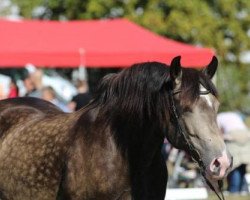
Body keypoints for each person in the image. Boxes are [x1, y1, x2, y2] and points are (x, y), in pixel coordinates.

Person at [217, 111, 250, 194]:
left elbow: (218, 132)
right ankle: (243, 189)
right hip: (246, 134)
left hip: (232, 136)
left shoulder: (218, 117)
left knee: (234, 166)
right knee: (242, 165)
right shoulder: (234, 114)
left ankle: (234, 189)